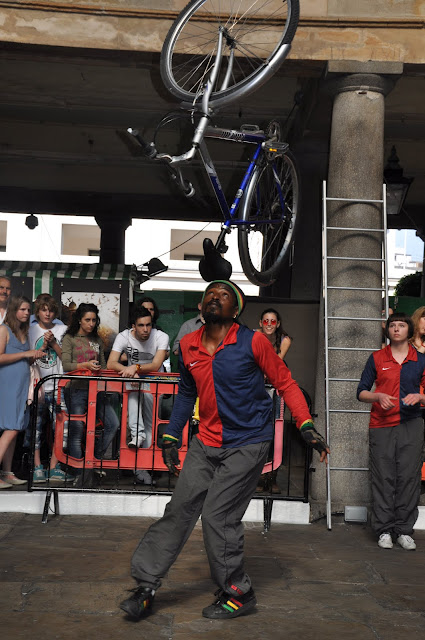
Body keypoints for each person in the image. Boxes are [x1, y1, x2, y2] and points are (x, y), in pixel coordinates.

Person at [120, 280, 329, 621]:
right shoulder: (188, 345)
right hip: (207, 441)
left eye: (225, 295)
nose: (215, 298)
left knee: (218, 516)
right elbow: (186, 393)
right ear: (202, 306)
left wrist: (305, 424)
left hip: (248, 442)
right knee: (179, 510)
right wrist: (172, 435)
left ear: (236, 310)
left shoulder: (253, 342)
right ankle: (146, 586)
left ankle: (238, 592)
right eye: (210, 295)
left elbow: (285, 383)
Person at [357, 312, 425, 551]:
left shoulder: (421, 359)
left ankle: (404, 531)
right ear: (387, 330)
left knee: (409, 478)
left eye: (401, 325)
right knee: (383, 477)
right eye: (392, 325)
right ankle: (384, 530)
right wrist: (377, 396)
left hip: (411, 424)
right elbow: (361, 392)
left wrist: (420, 397)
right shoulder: (377, 358)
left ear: (409, 330)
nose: (396, 329)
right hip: (381, 425)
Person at [107, 307, 169, 485]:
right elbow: (111, 363)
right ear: (133, 326)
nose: (146, 329)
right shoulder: (124, 336)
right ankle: (137, 439)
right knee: (133, 408)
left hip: (153, 382)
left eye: (148, 325)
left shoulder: (161, 336)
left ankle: (143, 466)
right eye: (141, 325)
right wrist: (129, 371)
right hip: (134, 381)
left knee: (150, 424)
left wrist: (136, 368)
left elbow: (156, 365)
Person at [61, 303, 120, 484]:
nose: (91, 324)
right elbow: (66, 365)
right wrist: (85, 366)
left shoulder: (97, 340)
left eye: (94, 320)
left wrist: (104, 375)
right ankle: (79, 472)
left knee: (113, 424)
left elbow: (103, 366)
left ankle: (92, 460)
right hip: (75, 389)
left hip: (97, 390)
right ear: (79, 320)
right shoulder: (70, 338)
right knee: (77, 431)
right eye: (87, 320)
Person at [0, 295, 45, 488]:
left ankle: (7, 472)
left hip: (21, 385)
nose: (27, 313)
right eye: (23, 309)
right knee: (11, 427)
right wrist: (26, 353)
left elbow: (23, 359)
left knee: (15, 428)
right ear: (14, 310)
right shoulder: (4, 330)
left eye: (28, 310)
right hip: (7, 384)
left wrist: (35, 354)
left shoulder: (23, 332)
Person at [28, 294, 71, 483]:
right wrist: (44, 345)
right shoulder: (30, 331)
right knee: (35, 427)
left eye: (51, 310)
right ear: (37, 311)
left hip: (58, 386)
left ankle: (54, 466)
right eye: (43, 310)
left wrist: (53, 343)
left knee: (62, 427)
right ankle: (37, 466)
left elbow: (67, 360)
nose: (47, 313)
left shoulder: (63, 329)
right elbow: (29, 360)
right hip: (37, 386)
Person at [256, 307, 292, 494]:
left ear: (278, 324)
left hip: (276, 389)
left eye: (272, 321)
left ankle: (272, 479)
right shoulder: (254, 337)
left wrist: (262, 373)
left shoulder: (284, 340)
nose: (269, 324)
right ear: (260, 323)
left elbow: (275, 363)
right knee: (256, 431)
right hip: (256, 390)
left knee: (275, 432)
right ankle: (257, 478)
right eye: (265, 321)